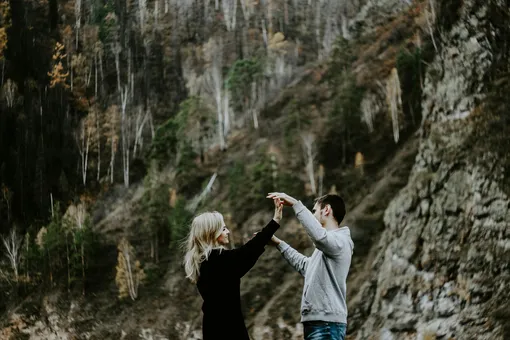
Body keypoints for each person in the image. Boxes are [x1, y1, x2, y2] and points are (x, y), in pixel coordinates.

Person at [183, 198, 283, 340]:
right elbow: (247, 252)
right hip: (229, 329)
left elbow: (245, 253)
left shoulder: (202, 262)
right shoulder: (218, 260)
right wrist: (275, 221)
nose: (228, 231)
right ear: (212, 233)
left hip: (212, 329)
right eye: (223, 228)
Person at [266, 192, 354, 340]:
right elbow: (305, 266)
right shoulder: (328, 247)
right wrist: (278, 244)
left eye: (314, 211)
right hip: (318, 323)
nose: (312, 215)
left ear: (326, 210)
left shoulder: (341, 241)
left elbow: (319, 237)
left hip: (327, 324)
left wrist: (295, 204)